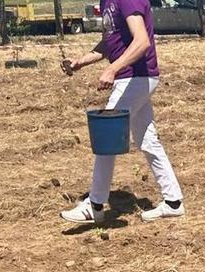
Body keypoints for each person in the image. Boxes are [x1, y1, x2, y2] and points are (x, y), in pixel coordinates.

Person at [60, 0, 183, 225]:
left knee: (107, 134)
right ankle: (173, 202)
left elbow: (142, 41)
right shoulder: (107, 1)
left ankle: (95, 205)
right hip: (134, 78)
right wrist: (81, 62)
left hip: (135, 77)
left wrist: (112, 68)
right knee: (147, 140)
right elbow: (111, 43)